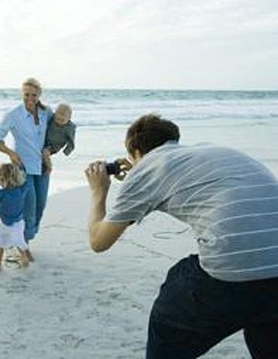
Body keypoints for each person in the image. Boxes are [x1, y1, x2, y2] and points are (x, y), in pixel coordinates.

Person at [84, 113, 278, 358]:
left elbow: (98, 241)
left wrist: (98, 191)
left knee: (170, 314)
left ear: (135, 153)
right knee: (265, 323)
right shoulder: (214, 152)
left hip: (230, 269)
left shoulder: (147, 169)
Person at [0, 77, 53, 260]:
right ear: (22, 94)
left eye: (34, 95)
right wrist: (10, 153)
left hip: (42, 168)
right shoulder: (13, 114)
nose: (30, 98)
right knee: (28, 210)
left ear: (39, 95)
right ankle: (22, 249)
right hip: (23, 169)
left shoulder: (46, 112)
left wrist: (50, 151)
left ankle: (20, 242)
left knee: (40, 208)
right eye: (26, 94)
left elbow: (57, 131)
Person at [42, 103, 76, 175]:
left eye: (62, 120)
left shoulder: (69, 128)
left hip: (55, 145)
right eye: (57, 119)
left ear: (69, 118)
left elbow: (71, 142)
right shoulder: (52, 118)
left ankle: (49, 167)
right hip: (46, 140)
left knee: (45, 152)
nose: (59, 122)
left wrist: (67, 151)